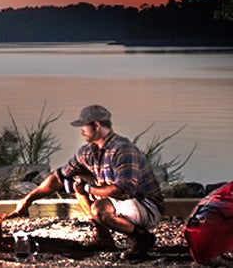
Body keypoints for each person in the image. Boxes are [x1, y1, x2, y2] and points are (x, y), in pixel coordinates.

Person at [11, 104, 164, 260]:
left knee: (98, 207)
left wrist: (89, 188)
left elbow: (123, 190)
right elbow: (59, 178)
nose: (81, 130)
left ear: (96, 126)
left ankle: (142, 238)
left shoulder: (123, 150)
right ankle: (103, 237)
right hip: (121, 201)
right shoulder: (87, 152)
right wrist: (28, 199)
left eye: (84, 126)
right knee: (76, 182)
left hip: (146, 205)